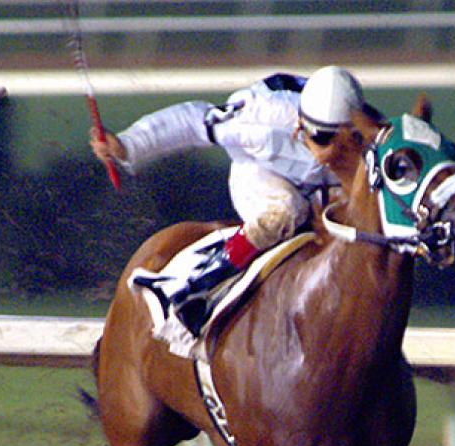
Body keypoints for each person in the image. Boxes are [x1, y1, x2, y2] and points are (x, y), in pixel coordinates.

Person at [90, 65, 373, 334]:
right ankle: (192, 287)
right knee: (285, 211)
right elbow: (194, 121)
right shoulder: (261, 120)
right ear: (300, 125)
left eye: (346, 142)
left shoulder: (370, 136)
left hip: (322, 187)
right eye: (323, 139)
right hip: (261, 171)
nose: (335, 151)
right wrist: (129, 145)